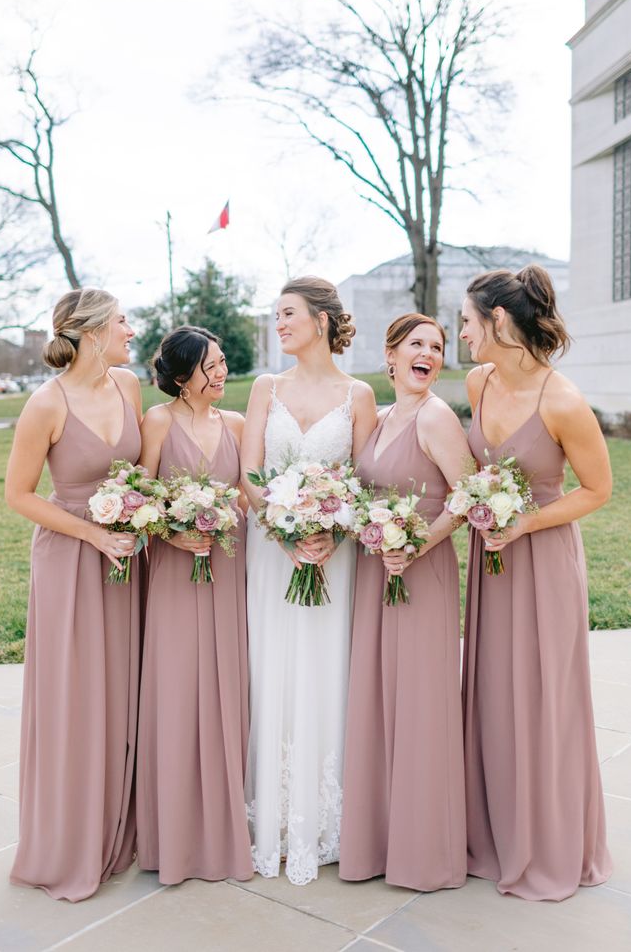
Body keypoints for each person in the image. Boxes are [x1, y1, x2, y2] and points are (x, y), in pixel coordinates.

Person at [459, 265, 613, 901]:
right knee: (494, 688)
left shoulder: (563, 401)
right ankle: (494, 833)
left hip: (543, 558)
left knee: (544, 695)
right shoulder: (477, 381)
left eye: (467, 321)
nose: (460, 333)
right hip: (491, 560)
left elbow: (598, 489)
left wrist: (526, 522)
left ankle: (549, 843)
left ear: (498, 321)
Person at [5, 288, 142, 901]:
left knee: (123, 689)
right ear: (90, 333)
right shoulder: (45, 403)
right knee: (76, 696)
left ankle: (119, 821)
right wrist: (93, 533)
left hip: (129, 559)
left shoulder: (130, 386)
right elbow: (20, 495)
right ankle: (69, 838)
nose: (130, 331)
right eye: (121, 322)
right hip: (70, 561)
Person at [241, 276, 377, 885]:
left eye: (288, 313)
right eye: (276, 315)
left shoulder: (360, 395)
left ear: (322, 320)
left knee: (325, 669)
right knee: (271, 667)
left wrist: (332, 532)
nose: (280, 323)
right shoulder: (265, 388)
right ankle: (268, 816)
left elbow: (368, 483)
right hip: (273, 556)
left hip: (333, 555)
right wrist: (282, 526)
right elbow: (248, 473)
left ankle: (326, 820)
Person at [339, 313, 468, 892]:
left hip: (420, 573)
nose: (429, 354)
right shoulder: (386, 417)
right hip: (376, 572)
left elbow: (467, 498)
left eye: (437, 347)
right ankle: (377, 841)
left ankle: (425, 853)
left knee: (419, 703)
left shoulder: (437, 418)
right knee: (379, 700)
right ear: (390, 355)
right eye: (417, 344)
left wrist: (417, 544)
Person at [136, 326, 252, 884]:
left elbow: (254, 494)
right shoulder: (157, 422)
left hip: (228, 570)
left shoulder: (236, 425)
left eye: (224, 363)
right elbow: (138, 498)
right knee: (178, 689)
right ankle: (173, 833)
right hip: (175, 573)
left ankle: (225, 824)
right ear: (182, 378)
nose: (222, 373)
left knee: (228, 687)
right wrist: (173, 532)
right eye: (211, 367)